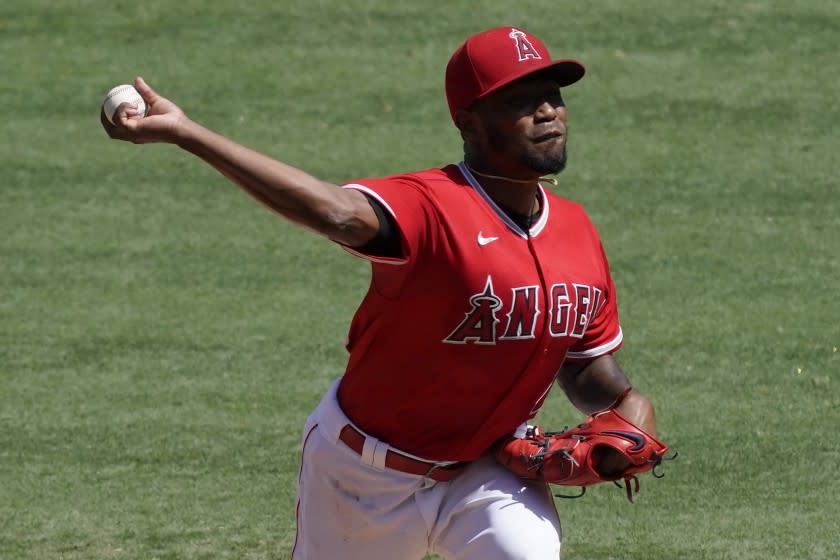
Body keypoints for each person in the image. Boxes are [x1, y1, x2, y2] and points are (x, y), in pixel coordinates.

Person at [102, 26, 661, 560]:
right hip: (362, 477)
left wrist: (629, 408)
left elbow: (583, 366)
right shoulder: (429, 206)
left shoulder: (577, 230)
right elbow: (334, 212)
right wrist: (187, 133)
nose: (547, 111)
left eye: (552, 96)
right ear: (469, 123)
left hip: (489, 473)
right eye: (521, 100)